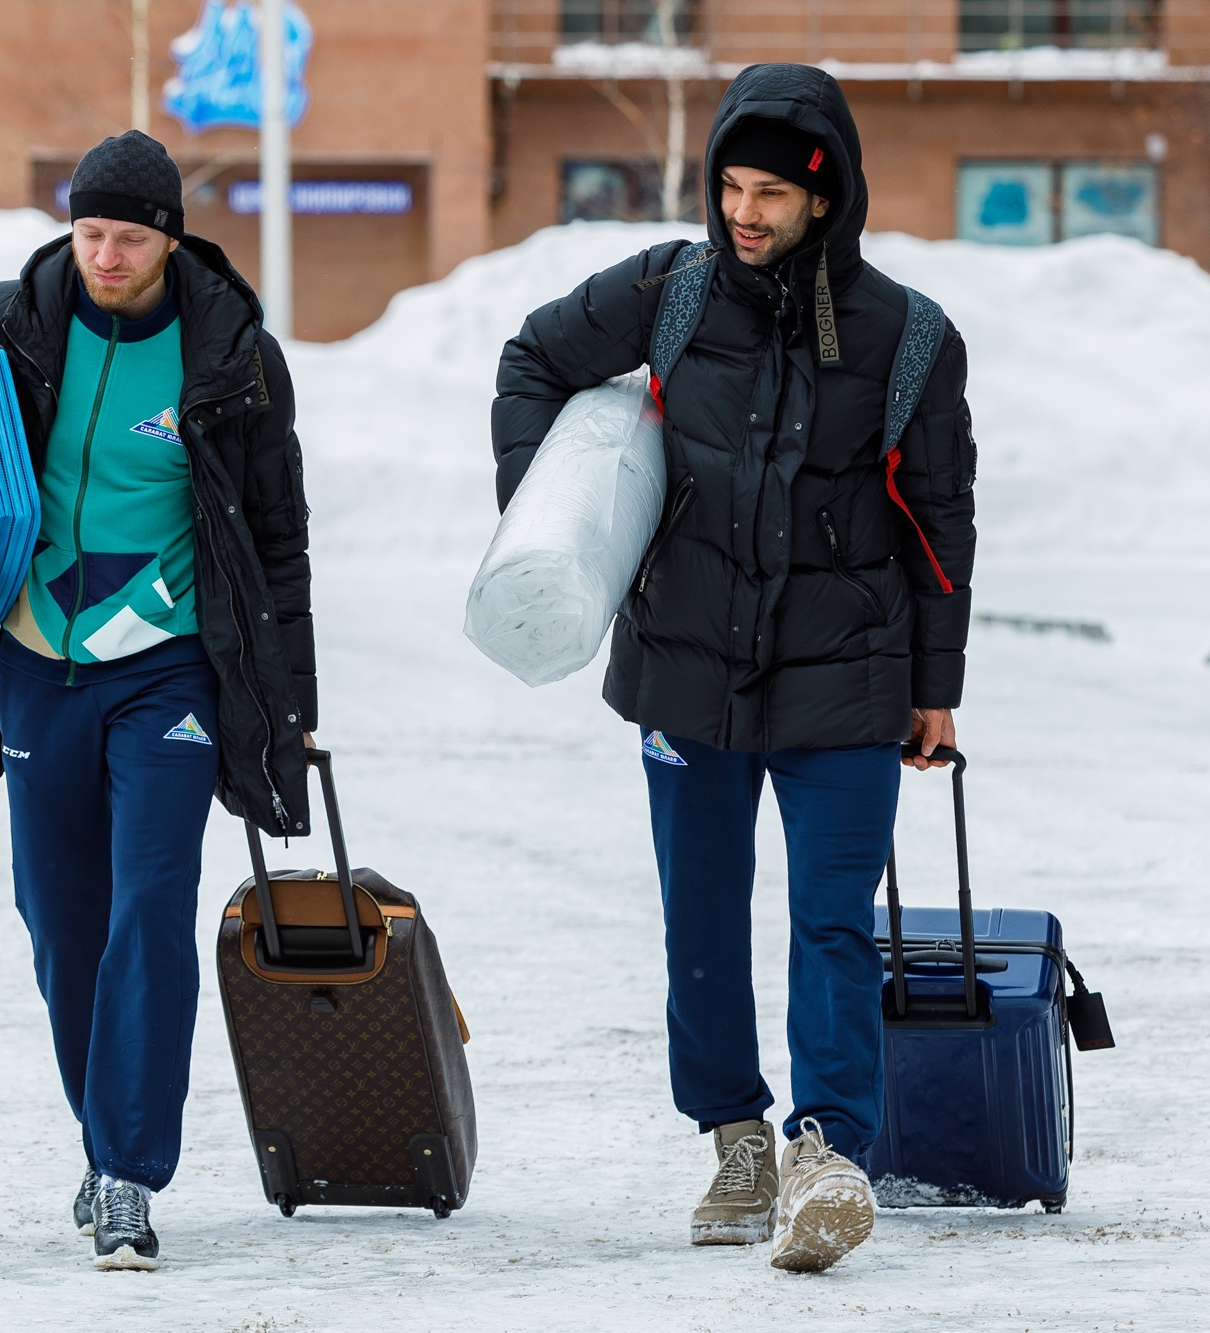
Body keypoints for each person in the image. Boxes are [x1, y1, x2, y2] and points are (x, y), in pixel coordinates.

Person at [492, 64, 975, 1273]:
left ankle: (825, 1151)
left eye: (770, 193)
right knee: (699, 917)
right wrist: (554, 526)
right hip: (684, 671)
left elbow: (938, 515)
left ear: (826, 198)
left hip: (846, 675)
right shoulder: (668, 289)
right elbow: (531, 361)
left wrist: (934, 682)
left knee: (828, 922)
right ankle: (732, 1136)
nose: (744, 212)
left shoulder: (906, 336)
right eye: (729, 187)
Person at [0, 130, 319, 1271]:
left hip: (166, 669)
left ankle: (125, 1171)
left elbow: (276, 543)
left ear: (170, 238)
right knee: (61, 927)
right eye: (90, 231)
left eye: (130, 236)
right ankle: (101, 1128)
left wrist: (286, 705)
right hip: (33, 663)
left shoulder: (231, 355)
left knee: (148, 907)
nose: (106, 254)